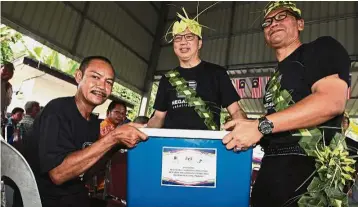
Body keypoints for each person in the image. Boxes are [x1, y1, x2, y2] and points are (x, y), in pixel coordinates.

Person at [222, 2, 350, 206]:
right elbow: (279, 126)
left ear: (300, 24)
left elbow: (331, 101)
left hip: (309, 175)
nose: (273, 23)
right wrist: (246, 128)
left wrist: (260, 125)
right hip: (271, 171)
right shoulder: (275, 78)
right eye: (268, 22)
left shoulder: (320, 48)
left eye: (282, 17)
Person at [23, 56, 148, 207]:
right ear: (78, 76)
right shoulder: (57, 110)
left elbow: (86, 174)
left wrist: (115, 146)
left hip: (75, 195)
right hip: (44, 199)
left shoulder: (93, 123)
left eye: (108, 82)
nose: (102, 86)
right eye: (95, 77)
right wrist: (112, 138)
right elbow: (58, 174)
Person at [147, 7, 246, 130]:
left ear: (199, 43)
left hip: (207, 146)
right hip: (171, 145)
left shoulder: (217, 73)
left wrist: (244, 127)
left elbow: (235, 111)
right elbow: (158, 117)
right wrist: (142, 129)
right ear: (174, 45)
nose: (183, 42)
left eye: (189, 37)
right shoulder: (167, 78)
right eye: (178, 38)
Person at [1, 62, 14, 137]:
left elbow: (6, 104)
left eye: (9, 72)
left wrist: (4, 116)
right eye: (4, 70)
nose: (6, 73)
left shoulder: (9, 87)